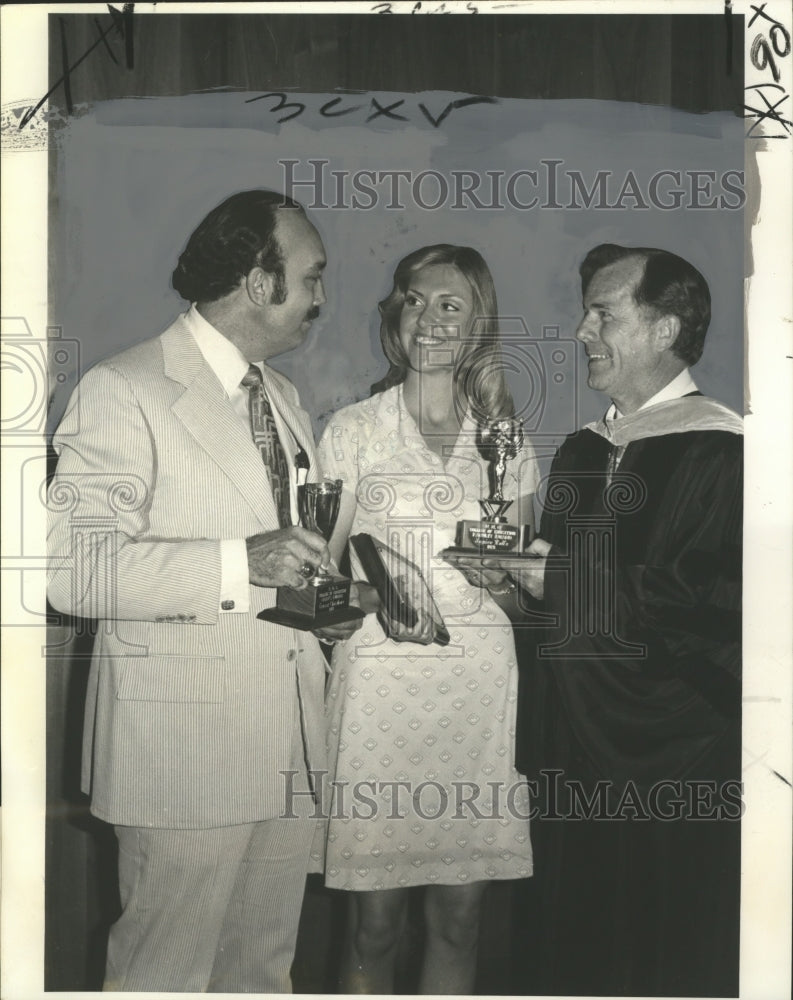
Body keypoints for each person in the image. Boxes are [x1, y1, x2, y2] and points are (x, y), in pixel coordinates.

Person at [46, 190, 362, 993]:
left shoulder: (283, 399)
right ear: (259, 282)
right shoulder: (126, 389)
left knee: (261, 972)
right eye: (312, 277)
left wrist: (327, 608)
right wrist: (239, 562)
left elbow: (287, 553)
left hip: (288, 741)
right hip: (182, 756)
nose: (322, 299)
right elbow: (71, 571)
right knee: (165, 975)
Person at [490, 244, 742, 997]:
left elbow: (702, 608)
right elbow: (561, 607)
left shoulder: (725, 454)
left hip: (670, 759)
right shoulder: (578, 452)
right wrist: (515, 589)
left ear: (663, 330)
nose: (579, 331)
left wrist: (555, 577)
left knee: (655, 948)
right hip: (571, 746)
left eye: (602, 313)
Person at [311, 245, 536, 994]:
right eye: (412, 300)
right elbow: (310, 584)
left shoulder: (505, 442)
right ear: (393, 316)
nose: (427, 319)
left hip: (476, 695)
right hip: (380, 694)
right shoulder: (349, 430)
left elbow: (523, 591)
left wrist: (504, 580)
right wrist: (361, 602)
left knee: (459, 920)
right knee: (373, 928)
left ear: (479, 325)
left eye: (450, 305)